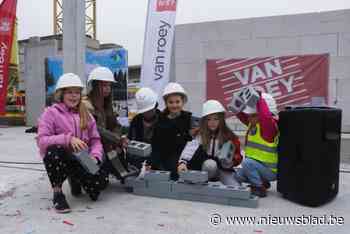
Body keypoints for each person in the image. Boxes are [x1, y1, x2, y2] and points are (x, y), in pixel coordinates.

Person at [37, 73, 108, 213]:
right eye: (69, 92)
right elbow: (42, 141)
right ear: (61, 94)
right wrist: (68, 139)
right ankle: (58, 193)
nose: (74, 96)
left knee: (99, 186)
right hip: (64, 157)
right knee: (53, 151)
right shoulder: (51, 113)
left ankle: (75, 179)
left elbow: (96, 140)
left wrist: (95, 156)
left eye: (77, 92)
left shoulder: (86, 114)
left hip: (83, 157)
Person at [177, 100, 242, 185]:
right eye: (209, 119)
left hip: (223, 170)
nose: (212, 122)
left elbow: (238, 155)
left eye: (216, 119)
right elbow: (190, 149)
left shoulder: (229, 136)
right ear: (204, 121)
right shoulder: (200, 134)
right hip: (207, 168)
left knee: (235, 187)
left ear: (221, 120)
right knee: (210, 164)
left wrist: (232, 161)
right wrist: (182, 163)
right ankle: (202, 184)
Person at [230, 90, 279, 197]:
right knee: (238, 177)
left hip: (270, 171)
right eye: (249, 115)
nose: (248, 118)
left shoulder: (268, 129)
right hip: (258, 167)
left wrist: (259, 98)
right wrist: (236, 103)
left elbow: (265, 117)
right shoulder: (253, 124)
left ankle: (259, 187)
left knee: (247, 163)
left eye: (253, 115)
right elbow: (242, 116)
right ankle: (263, 182)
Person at [83, 66, 129, 179]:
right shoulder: (86, 104)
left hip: (106, 144)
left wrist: (117, 139)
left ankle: (107, 171)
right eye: (103, 85)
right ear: (94, 86)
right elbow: (97, 129)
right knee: (96, 183)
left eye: (109, 85)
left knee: (120, 170)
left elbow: (116, 125)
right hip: (89, 147)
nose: (107, 88)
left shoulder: (106, 103)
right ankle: (76, 178)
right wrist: (117, 139)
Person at [150, 83, 193, 180]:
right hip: (168, 156)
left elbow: (192, 141)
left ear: (183, 102)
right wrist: (151, 162)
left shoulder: (189, 118)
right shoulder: (160, 121)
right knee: (175, 173)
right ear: (166, 103)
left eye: (177, 102)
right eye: (171, 102)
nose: (174, 105)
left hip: (186, 155)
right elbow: (156, 144)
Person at [127, 87, 161, 168]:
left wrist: (151, 163)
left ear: (155, 106)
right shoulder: (136, 120)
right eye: (145, 111)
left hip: (157, 165)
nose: (147, 113)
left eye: (149, 110)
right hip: (137, 165)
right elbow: (131, 143)